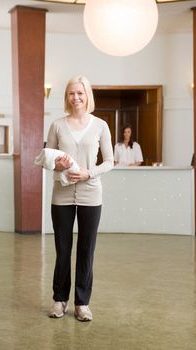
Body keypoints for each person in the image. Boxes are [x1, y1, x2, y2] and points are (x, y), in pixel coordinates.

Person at [46, 75, 114, 321]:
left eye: (80, 93)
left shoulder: (100, 126)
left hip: (91, 193)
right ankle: (59, 299)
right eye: (71, 93)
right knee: (63, 249)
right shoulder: (56, 125)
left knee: (86, 249)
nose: (75, 97)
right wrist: (58, 164)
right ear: (67, 97)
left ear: (88, 96)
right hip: (61, 195)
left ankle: (82, 304)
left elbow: (109, 162)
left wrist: (88, 172)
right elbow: (47, 160)